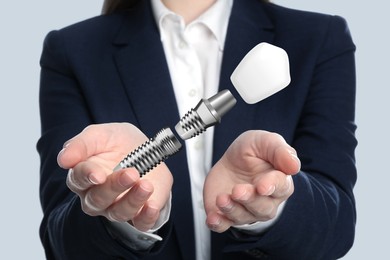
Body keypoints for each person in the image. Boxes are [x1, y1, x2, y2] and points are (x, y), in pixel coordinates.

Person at [37, 0, 357, 259]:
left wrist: (275, 200)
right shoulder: (72, 50)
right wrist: (121, 216)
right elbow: (60, 241)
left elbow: (338, 227)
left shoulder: (320, 38)